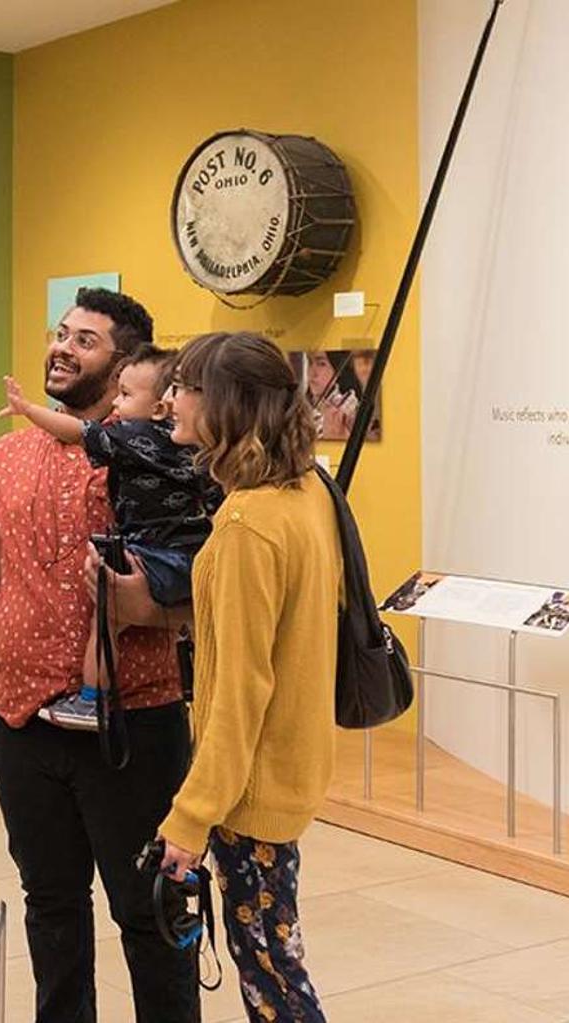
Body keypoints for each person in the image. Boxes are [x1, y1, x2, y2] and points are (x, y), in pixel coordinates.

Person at [0, 287, 200, 1023]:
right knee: (50, 906)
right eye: (62, 332)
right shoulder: (6, 453)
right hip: (20, 718)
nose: (62, 347)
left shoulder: (159, 454)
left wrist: (136, 605)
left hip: (131, 723)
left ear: (125, 365)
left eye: (86, 340)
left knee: (149, 913)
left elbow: (199, 586)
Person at [151, 332, 342, 1023]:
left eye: (184, 387)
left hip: (251, 790)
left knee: (273, 979)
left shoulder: (246, 523)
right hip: (287, 765)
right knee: (272, 964)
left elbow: (239, 688)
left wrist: (191, 815)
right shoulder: (304, 493)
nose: (170, 399)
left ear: (223, 404)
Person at [0, 348, 220, 731]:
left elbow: (78, 432)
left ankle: (90, 699)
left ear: (160, 408)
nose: (115, 403)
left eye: (126, 395)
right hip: (192, 555)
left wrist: (30, 410)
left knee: (107, 618)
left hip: (150, 552)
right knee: (203, 619)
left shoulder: (135, 435)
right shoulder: (195, 444)